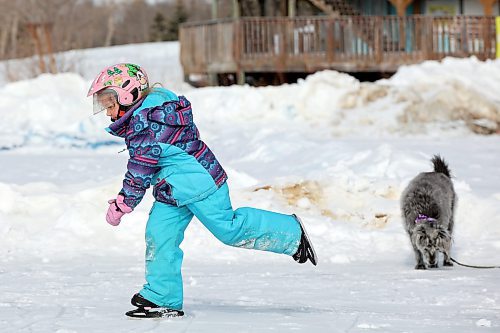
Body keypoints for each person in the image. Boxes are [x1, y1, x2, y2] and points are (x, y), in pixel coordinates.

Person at [87, 63, 317, 318]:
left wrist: (123, 203)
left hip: (201, 184)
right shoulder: (149, 115)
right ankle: (162, 296)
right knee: (159, 235)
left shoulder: (147, 125)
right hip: (172, 192)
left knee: (229, 229)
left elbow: (140, 170)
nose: (108, 114)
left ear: (128, 96)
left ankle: (291, 233)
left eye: (109, 105)